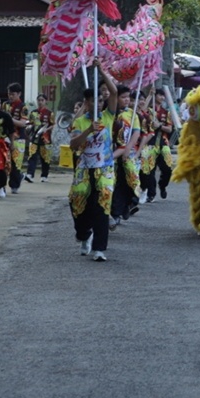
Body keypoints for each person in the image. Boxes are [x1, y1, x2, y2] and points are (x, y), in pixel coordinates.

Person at [68, 65, 119, 262]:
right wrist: (89, 130)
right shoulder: (80, 122)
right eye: (93, 101)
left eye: (100, 100)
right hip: (84, 169)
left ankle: (99, 248)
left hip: (104, 169)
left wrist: (101, 69)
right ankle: (84, 234)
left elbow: (114, 92)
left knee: (102, 206)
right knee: (77, 201)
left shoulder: (108, 116)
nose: (97, 104)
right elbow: (73, 145)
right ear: (87, 103)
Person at [110, 86, 141, 229]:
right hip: (111, 152)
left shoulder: (132, 114)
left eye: (128, 97)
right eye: (123, 97)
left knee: (129, 182)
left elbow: (136, 132)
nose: (127, 100)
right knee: (115, 184)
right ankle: (115, 213)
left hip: (127, 154)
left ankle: (127, 205)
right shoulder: (110, 113)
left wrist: (128, 148)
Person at [3, 82, 29, 193]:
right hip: (5, 137)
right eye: (9, 94)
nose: (10, 96)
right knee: (4, 161)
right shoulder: (5, 105)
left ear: (19, 94)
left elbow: (23, 123)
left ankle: (15, 185)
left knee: (16, 163)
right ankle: (2, 185)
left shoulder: (23, 107)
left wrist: (9, 119)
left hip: (19, 138)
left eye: (13, 94)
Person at [150, 90, 174, 200]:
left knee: (167, 169)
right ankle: (151, 193)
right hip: (149, 143)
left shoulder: (166, 112)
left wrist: (159, 126)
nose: (162, 97)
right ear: (154, 95)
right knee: (150, 170)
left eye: (163, 95)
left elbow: (169, 129)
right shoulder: (148, 110)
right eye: (160, 95)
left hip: (163, 143)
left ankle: (162, 185)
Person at [24, 94, 53, 183]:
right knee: (32, 156)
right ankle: (30, 174)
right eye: (39, 100)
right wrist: (28, 128)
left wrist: (46, 129)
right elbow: (29, 123)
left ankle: (44, 175)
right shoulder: (33, 113)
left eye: (42, 100)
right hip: (34, 138)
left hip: (45, 139)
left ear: (45, 101)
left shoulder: (49, 113)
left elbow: (53, 125)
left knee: (45, 158)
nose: (40, 102)